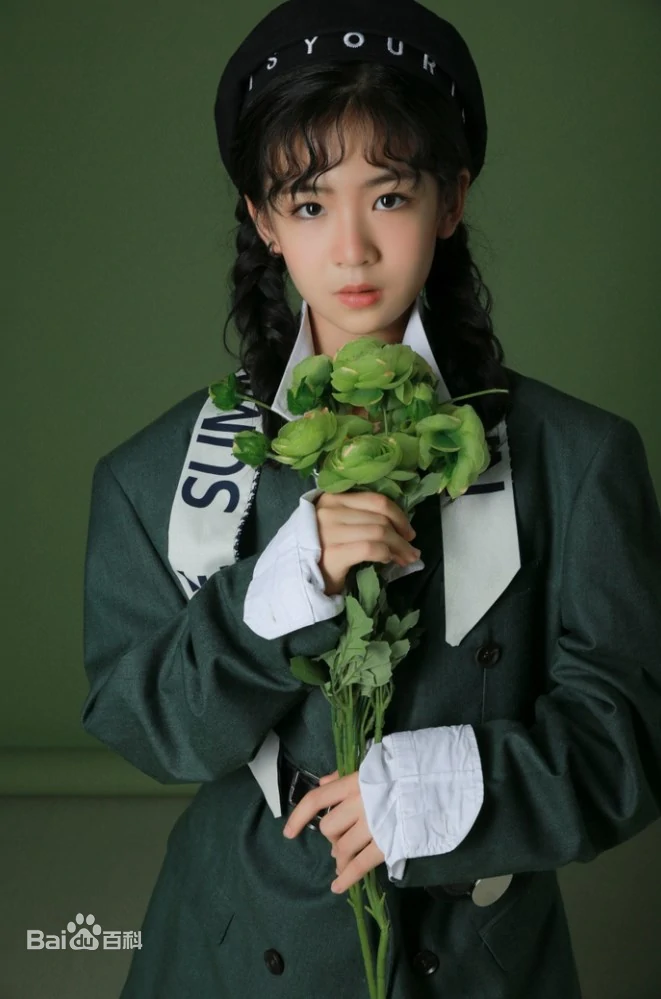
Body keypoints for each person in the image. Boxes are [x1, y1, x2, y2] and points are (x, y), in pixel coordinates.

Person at [80, 1, 661, 996]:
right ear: (262, 220)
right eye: (309, 204)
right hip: (234, 941)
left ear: (451, 199)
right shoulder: (154, 471)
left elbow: (632, 741)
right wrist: (273, 597)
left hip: (478, 952)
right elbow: (144, 724)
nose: (351, 249)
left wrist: (446, 789)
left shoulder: (578, 457)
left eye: (388, 196)